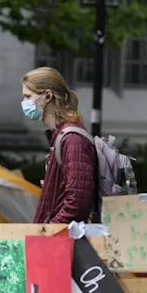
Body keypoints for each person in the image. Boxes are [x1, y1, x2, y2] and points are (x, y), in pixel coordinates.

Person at [22, 67, 98, 224]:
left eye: (28, 96)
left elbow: (78, 202)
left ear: (47, 96)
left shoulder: (72, 139)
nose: (24, 103)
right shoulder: (61, 137)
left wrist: (50, 231)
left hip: (63, 243)